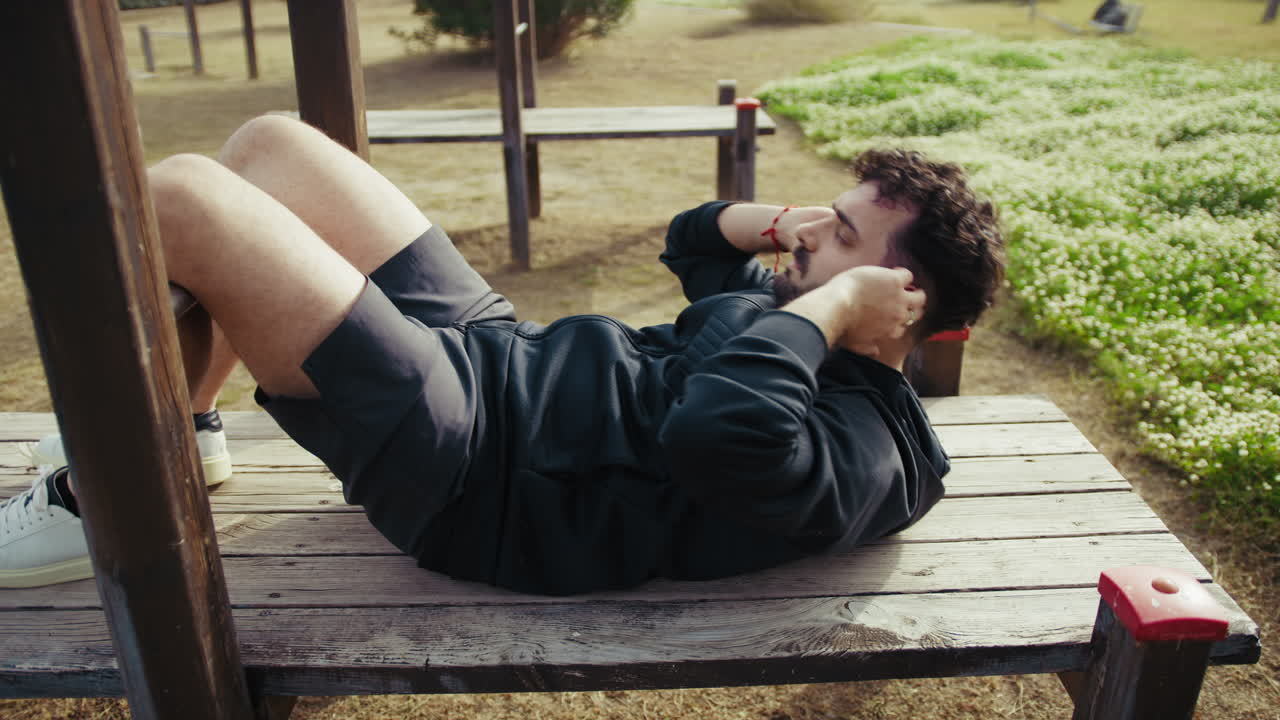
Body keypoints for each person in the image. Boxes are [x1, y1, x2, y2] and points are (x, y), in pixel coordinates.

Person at [0, 115, 1004, 594]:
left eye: (838, 239)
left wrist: (825, 310)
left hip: (479, 472)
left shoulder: (870, 448)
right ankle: (192, 430)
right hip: (501, 356)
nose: (803, 245)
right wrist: (797, 234)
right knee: (269, 146)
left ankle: (108, 495)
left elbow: (718, 438)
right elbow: (693, 240)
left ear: (895, 303)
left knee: (181, 199)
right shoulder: (784, 310)